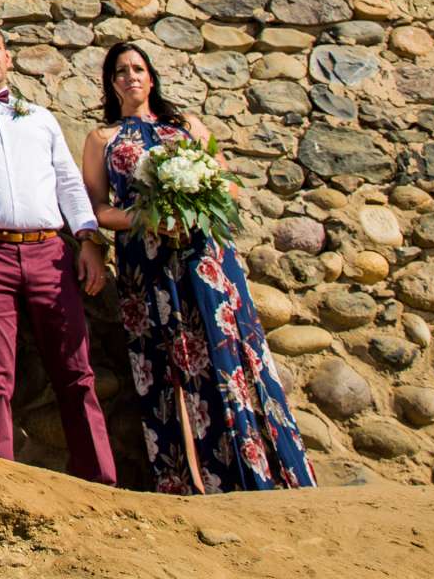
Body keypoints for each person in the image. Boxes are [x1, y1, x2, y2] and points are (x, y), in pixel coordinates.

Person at [85, 42, 314, 494]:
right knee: (169, 360)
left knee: (224, 351)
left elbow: (224, 183)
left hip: (203, 256)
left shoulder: (185, 125)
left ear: (151, 77)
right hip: (147, 264)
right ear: (110, 84)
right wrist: (146, 217)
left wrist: (192, 202)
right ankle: (191, 479)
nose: (130, 77)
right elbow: (96, 208)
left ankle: (262, 471)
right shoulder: (102, 138)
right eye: (120, 72)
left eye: (137, 69)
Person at [0, 20, 117, 485]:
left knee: (77, 369)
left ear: (9, 57)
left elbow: (69, 183)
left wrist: (89, 241)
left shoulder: (41, 117)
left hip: (50, 252)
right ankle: (0, 483)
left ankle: (100, 477)